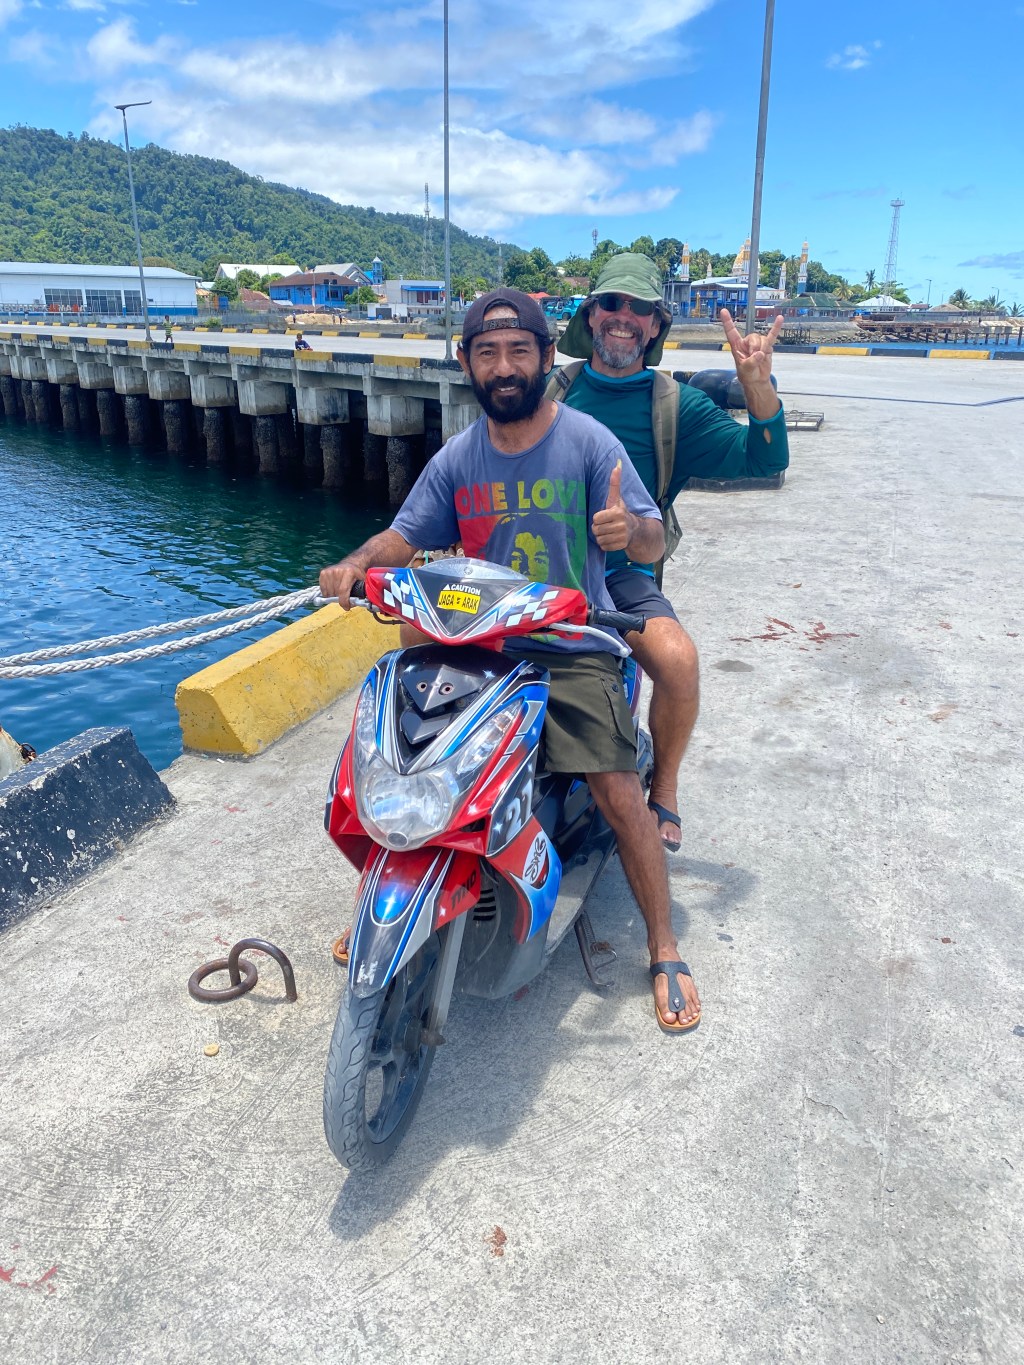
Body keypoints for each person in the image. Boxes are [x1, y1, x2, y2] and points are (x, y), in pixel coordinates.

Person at [320, 287, 701, 1033]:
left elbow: (654, 538)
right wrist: (353, 564)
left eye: (518, 350)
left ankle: (663, 945)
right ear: (466, 362)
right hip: (477, 642)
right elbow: (402, 539)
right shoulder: (458, 456)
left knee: (620, 789)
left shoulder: (589, 441)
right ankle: (384, 900)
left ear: (545, 357)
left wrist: (629, 533)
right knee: (392, 759)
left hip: (568, 645)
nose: (503, 366)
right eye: (486, 352)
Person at [553, 253, 789, 854]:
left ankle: (666, 785)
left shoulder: (675, 406)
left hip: (621, 579)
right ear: (591, 314)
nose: (624, 318)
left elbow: (764, 460)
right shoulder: (548, 392)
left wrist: (757, 386)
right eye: (612, 304)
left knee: (679, 663)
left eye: (640, 309)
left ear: (656, 325)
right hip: (536, 570)